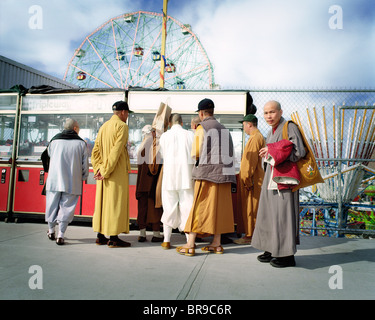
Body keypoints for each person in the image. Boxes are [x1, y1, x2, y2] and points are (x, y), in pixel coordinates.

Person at [178, 98, 236, 256]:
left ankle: (190, 244)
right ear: (213, 112)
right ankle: (216, 244)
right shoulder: (224, 129)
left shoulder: (201, 128)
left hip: (207, 174)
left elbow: (195, 152)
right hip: (224, 175)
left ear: (201, 113)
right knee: (219, 210)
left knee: (199, 208)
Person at [251, 100, 306, 267]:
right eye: (266, 113)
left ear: (280, 112)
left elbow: (299, 151)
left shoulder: (289, 127)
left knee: (283, 216)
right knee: (268, 214)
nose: (269, 116)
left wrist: (272, 150)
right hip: (271, 178)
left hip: (284, 180)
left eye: (272, 112)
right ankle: (271, 248)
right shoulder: (271, 131)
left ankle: (287, 255)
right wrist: (269, 153)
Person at [91, 100, 132, 248]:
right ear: (123, 112)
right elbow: (116, 151)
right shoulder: (122, 127)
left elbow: (95, 150)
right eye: (127, 113)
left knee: (102, 203)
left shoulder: (103, 127)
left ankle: (100, 236)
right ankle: (114, 237)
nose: (127, 116)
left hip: (102, 172)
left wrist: (98, 169)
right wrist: (106, 170)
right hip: (115, 171)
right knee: (115, 203)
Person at [45, 118, 89, 245]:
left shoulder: (54, 141)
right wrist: (84, 176)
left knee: (51, 204)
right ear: (75, 128)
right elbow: (84, 163)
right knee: (67, 207)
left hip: (54, 180)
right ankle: (61, 235)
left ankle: (51, 230)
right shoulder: (81, 144)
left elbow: (49, 155)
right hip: (72, 181)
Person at [159, 113, 194, 249]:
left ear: (169, 123)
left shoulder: (164, 136)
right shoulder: (190, 135)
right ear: (182, 122)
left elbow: (162, 155)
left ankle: (167, 240)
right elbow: (194, 154)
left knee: (168, 208)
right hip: (186, 177)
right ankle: (188, 240)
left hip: (169, 177)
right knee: (187, 208)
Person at [234, 114, 265, 245]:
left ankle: (249, 236)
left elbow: (250, 163)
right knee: (253, 208)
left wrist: (247, 180)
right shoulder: (258, 137)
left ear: (249, 125)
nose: (244, 128)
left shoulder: (255, 138)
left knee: (250, 209)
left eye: (244, 125)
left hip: (252, 181)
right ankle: (251, 234)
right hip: (255, 179)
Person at [135, 125, 163, 243]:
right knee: (154, 209)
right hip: (152, 183)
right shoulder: (155, 146)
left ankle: (142, 234)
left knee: (142, 209)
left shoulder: (140, 147)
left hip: (141, 184)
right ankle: (156, 234)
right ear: (152, 133)